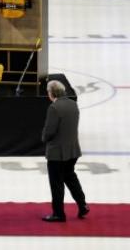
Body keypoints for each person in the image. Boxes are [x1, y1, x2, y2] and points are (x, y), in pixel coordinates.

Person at [41, 80, 90, 222]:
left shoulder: (54, 108)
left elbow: (49, 131)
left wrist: (44, 137)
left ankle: (58, 213)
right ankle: (82, 204)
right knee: (70, 177)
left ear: (51, 93)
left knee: (56, 183)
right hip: (73, 150)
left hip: (57, 152)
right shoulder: (73, 104)